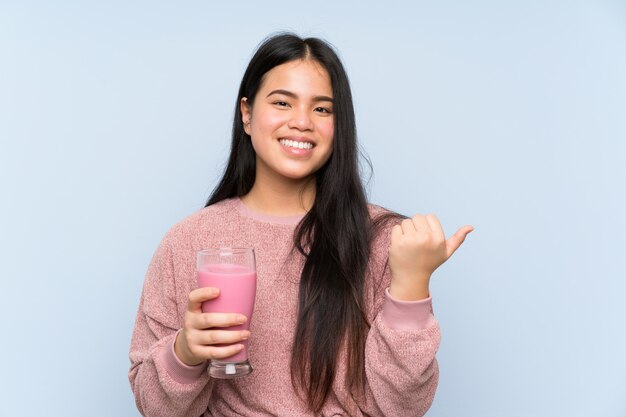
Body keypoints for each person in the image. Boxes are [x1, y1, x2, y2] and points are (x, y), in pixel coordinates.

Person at [129, 33, 473, 417]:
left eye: (323, 110)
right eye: (282, 102)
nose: (302, 122)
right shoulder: (188, 242)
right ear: (246, 113)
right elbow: (154, 408)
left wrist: (411, 286)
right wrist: (185, 353)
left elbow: (403, 406)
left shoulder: (382, 239)